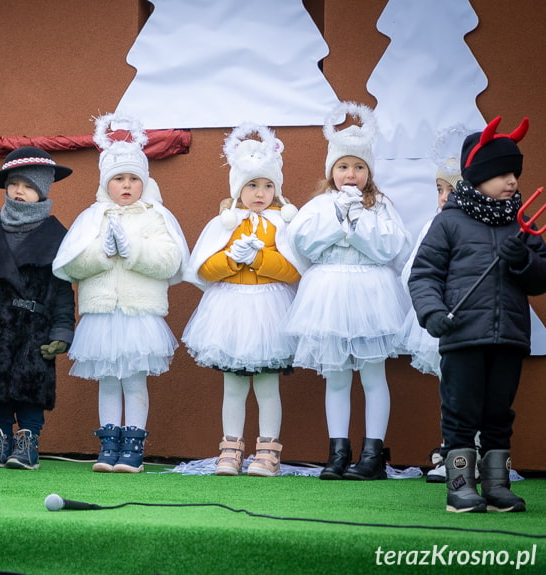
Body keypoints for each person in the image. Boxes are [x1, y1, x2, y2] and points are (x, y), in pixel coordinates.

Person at [408, 116, 546, 513]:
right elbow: (424, 275)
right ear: (478, 175)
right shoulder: (449, 222)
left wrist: (523, 261)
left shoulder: (523, 227)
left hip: (509, 337)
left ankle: (497, 485)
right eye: (502, 173)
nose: (512, 182)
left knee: (499, 413)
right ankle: (461, 485)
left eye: (515, 174)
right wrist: (432, 313)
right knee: (462, 412)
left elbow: (540, 279)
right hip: (463, 334)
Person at [53, 114, 190, 473]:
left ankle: (134, 446)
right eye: (118, 179)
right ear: (106, 183)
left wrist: (133, 252)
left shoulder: (155, 216)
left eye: (133, 179)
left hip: (138, 312)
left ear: (144, 182)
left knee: (134, 378)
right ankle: (108, 445)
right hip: (102, 313)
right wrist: (104, 252)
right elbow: (73, 263)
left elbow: (169, 261)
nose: (126, 186)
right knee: (108, 380)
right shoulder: (93, 217)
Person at [284, 102, 411, 481]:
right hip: (330, 296)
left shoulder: (381, 206)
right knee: (336, 375)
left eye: (358, 167)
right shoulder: (319, 205)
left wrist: (359, 223)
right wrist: (338, 222)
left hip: (371, 294)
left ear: (369, 171)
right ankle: (337, 452)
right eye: (342, 167)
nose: (350, 174)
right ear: (331, 171)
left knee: (373, 375)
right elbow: (303, 246)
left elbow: (391, 249)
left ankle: (373, 454)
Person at [182, 124, 304, 477]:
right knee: (233, 385)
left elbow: (296, 271)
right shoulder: (225, 223)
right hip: (231, 311)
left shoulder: (282, 224)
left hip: (270, 311)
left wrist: (261, 259)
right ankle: (231, 449)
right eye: (252, 185)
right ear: (238, 188)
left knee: (267, 385)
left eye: (268, 185)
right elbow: (203, 269)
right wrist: (234, 259)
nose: (260, 192)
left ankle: (268, 452)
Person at [0, 146, 75, 470]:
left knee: (31, 384)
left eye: (29, 186)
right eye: (14, 183)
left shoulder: (58, 235)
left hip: (35, 327)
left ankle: (28, 438)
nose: (19, 191)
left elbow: (62, 289)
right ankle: (1, 435)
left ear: (42, 190)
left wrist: (61, 330)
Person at [396, 127, 465, 484]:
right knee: (450, 387)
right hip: (442, 316)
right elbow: (416, 271)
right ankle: (451, 448)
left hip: (472, 317)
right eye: (439, 190)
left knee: (476, 388)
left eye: (451, 190)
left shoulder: (478, 226)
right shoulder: (434, 225)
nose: (442, 198)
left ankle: (477, 451)